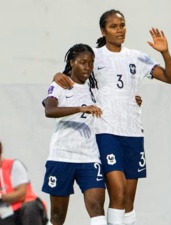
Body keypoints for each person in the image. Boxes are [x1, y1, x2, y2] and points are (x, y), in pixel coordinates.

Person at [52, 9, 171, 225]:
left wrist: (165, 53)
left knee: (128, 200)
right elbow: (69, 75)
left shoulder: (137, 57)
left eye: (122, 25)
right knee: (118, 192)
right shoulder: (94, 56)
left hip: (132, 131)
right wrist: (57, 75)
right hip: (105, 131)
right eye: (113, 26)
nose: (119, 30)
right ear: (103, 30)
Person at [42, 43, 106, 225]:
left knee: (96, 208)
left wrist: (134, 101)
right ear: (72, 62)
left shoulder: (95, 89)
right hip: (61, 156)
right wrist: (80, 108)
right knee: (57, 217)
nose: (87, 67)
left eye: (91, 63)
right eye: (83, 62)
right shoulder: (61, 85)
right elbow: (49, 110)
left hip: (89, 157)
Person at [0, 140, 48, 225]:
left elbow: (21, 194)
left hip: (25, 210)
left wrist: (1, 197)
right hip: (5, 216)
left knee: (29, 208)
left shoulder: (13, 165)